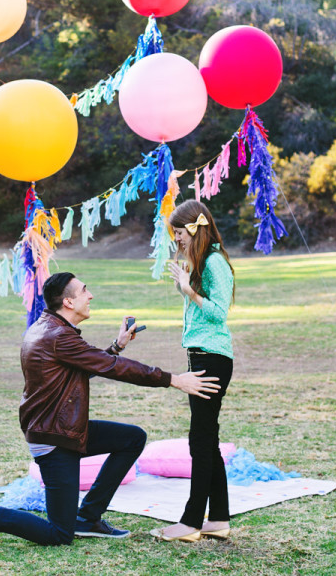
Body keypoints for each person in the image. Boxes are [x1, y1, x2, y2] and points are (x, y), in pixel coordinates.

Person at [0, 270, 218, 551]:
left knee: (132, 438)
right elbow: (113, 369)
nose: (90, 295)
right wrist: (173, 379)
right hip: (55, 438)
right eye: (84, 291)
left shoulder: (51, 330)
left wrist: (116, 346)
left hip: (62, 427)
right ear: (67, 303)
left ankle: (88, 518)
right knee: (58, 534)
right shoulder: (58, 337)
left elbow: (82, 368)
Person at [151, 200, 235, 543]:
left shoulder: (216, 263)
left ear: (196, 227)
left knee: (199, 442)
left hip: (212, 358)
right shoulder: (200, 262)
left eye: (180, 232)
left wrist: (189, 290)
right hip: (200, 356)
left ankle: (190, 522)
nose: (177, 239)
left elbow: (219, 313)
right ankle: (218, 519)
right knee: (206, 440)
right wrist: (185, 281)